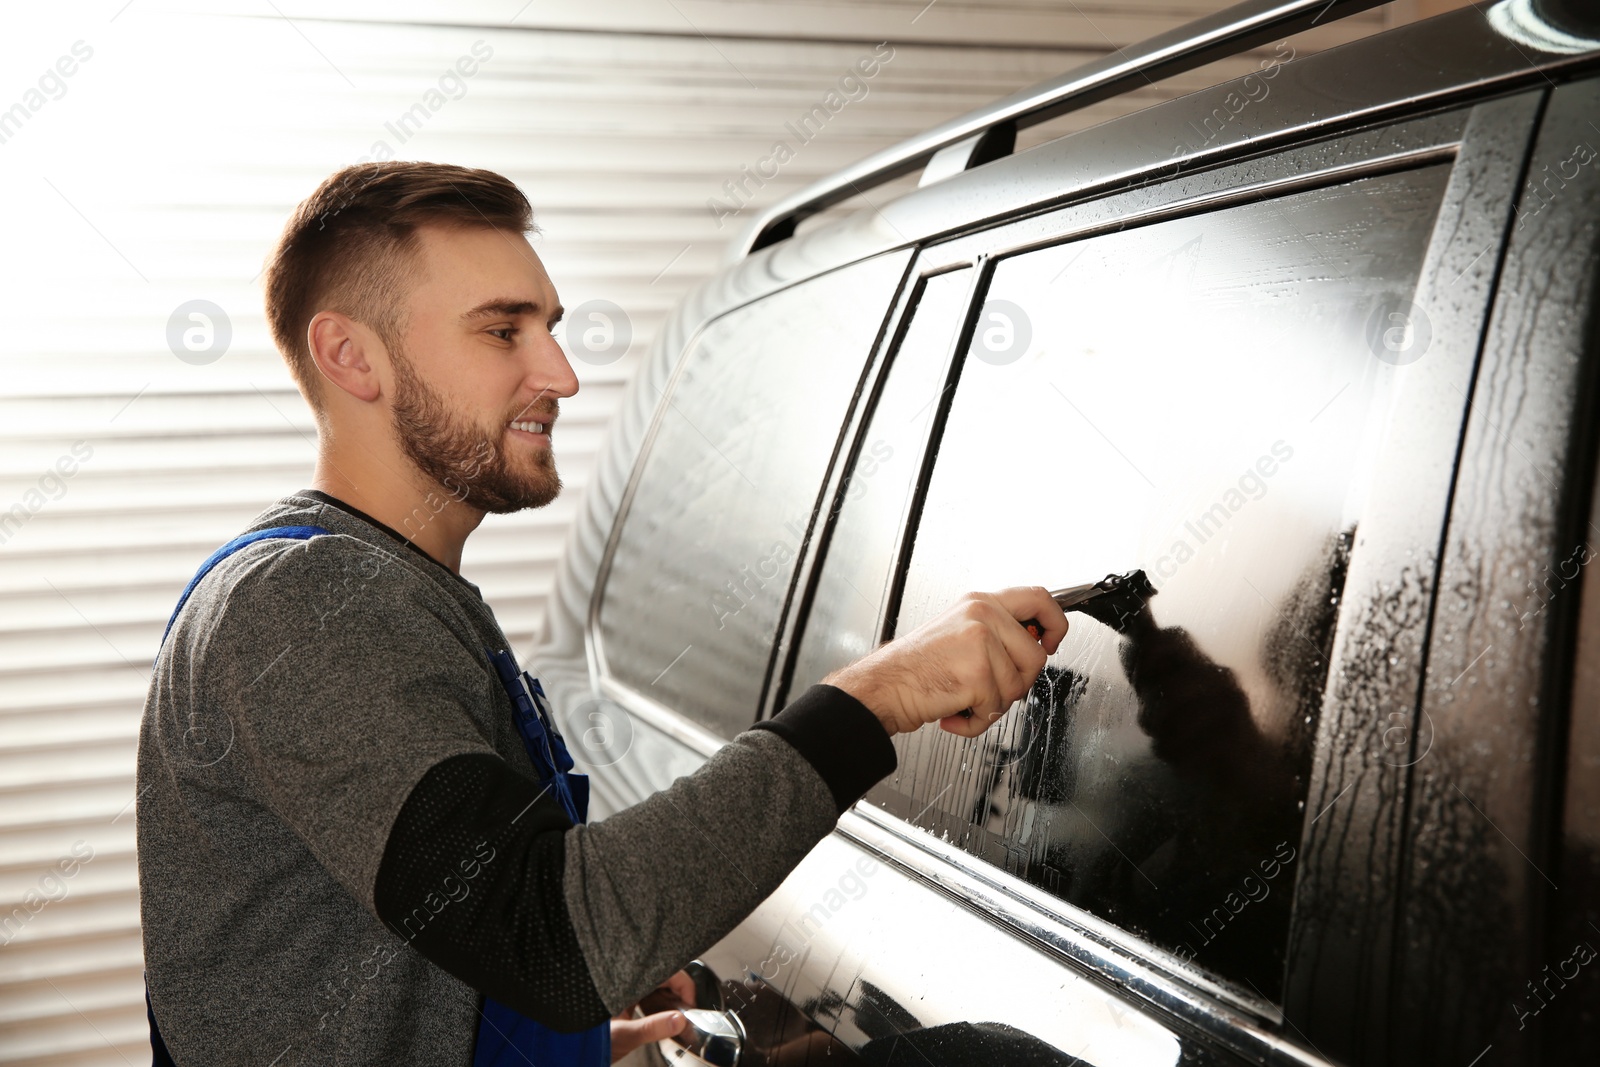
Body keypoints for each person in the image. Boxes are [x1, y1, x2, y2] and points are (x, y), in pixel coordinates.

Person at [135, 161, 1067, 1066]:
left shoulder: (385, 588)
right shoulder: (306, 607)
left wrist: (556, 1044)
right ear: (351, 356)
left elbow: (458, 915)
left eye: (551, 326)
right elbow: (549, 935)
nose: (562, 373)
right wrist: (879, 693)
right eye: (503, 331)